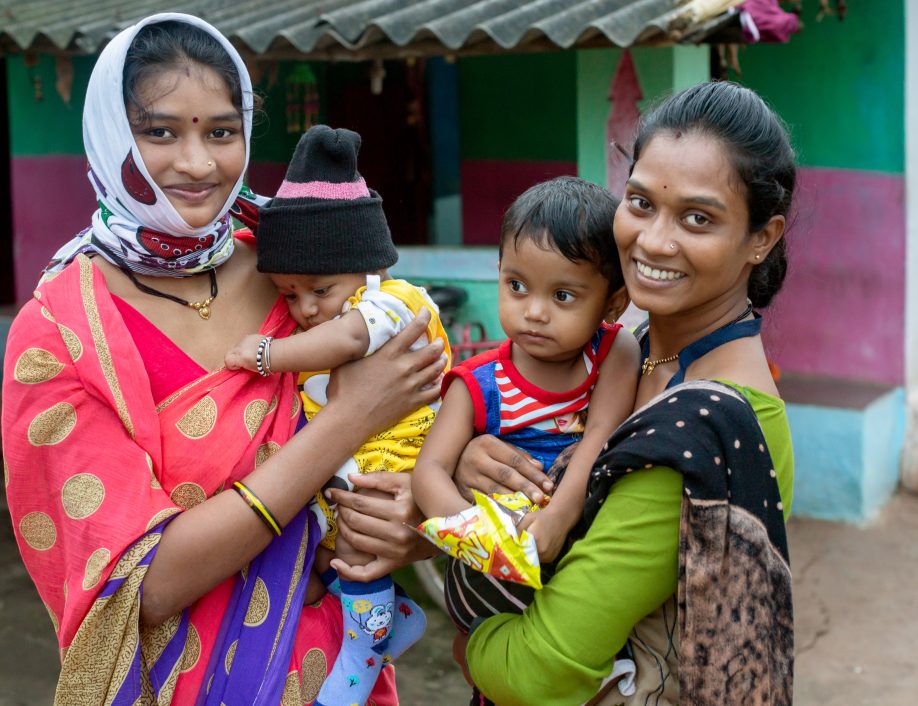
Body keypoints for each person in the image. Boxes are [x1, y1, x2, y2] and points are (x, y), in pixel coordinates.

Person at [1, 13, 444, 705]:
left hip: (337, 670)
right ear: (112, 135)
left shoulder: (293, 265)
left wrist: (419, 516)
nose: (200, 163)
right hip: (181, 683)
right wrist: (351, 416)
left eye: (220, 130)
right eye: (160, 131)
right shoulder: (60, 331)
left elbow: (417, 417)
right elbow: (144, 585)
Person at [455, 81, 797, 706]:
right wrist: (472, 462)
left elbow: (538, 670)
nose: (653, 241)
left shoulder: (710, 424)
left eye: (698, 218)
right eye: (640, 202)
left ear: (761, 238)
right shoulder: (624, 351)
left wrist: (467, 646)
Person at [225, 124, 450, 706]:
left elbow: (350, 340)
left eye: (318, 289)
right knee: (318, 556)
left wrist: (266, 353)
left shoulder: (394, 302)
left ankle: (364, 649)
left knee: (358, 545)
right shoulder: (328, 312)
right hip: (348, 466)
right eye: (289, 294)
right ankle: (390, 618)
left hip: (395, 460)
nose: (304, 309)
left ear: (366, 265)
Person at [412, 177, 640, 697]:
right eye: (516, 286)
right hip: (493, 566)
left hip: (570, 541)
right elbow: (429, 471)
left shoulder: (613, 355)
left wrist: (558, 517)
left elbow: (601, 435)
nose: (534, 311)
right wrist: (475, 535)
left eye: (562, 295)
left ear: (612, 304)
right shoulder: (477, 385)